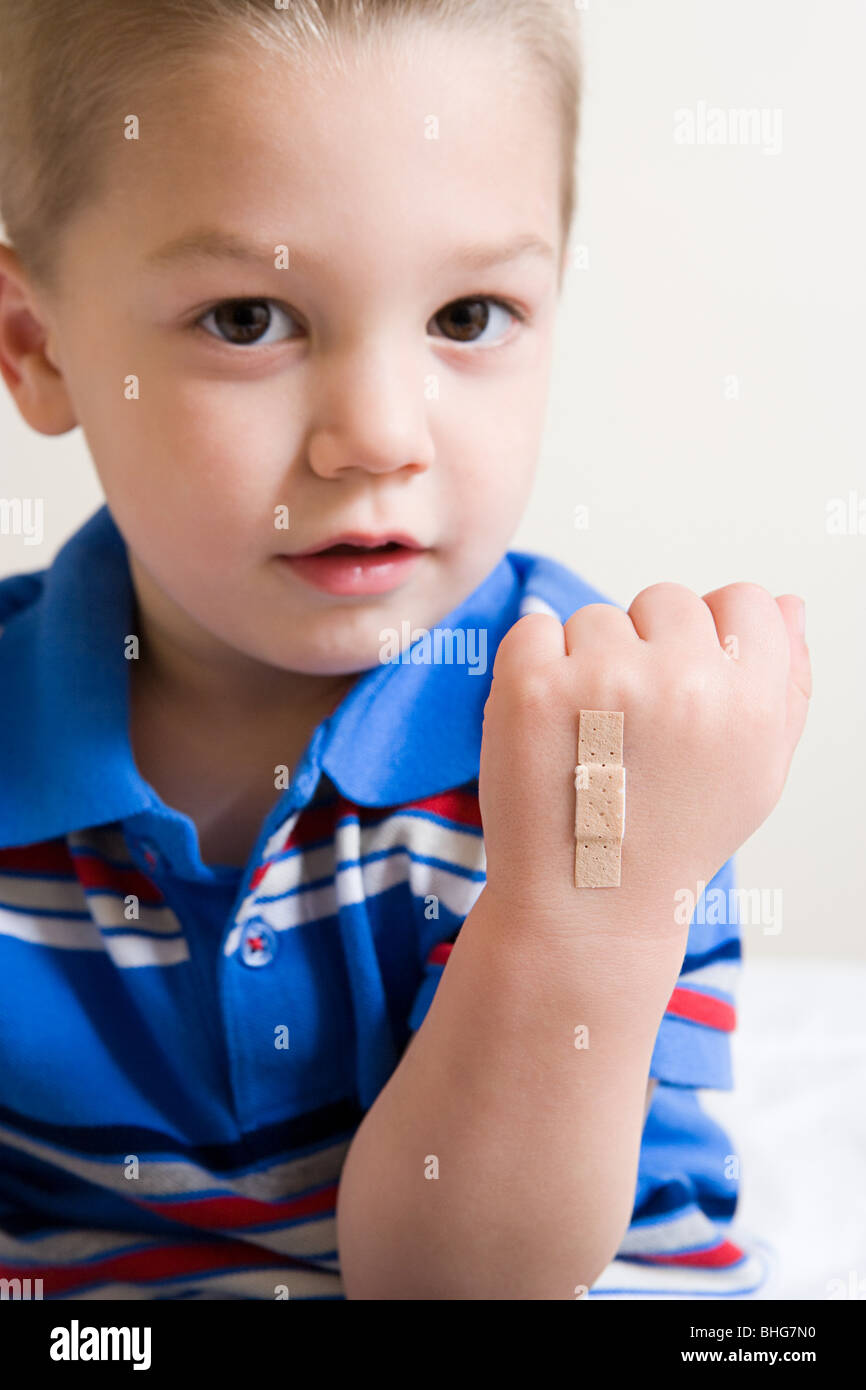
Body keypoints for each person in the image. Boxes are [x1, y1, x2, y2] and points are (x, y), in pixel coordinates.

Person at [0, 0, 810, 1299]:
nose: (378, 435)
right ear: (35, 346)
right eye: (250, 319)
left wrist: (585, 915)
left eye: (469, 315)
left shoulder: (601, 760)